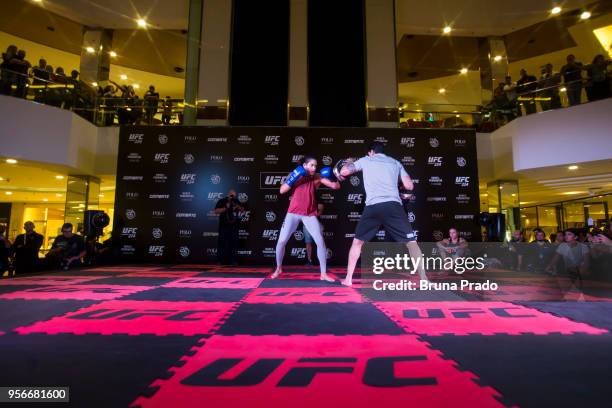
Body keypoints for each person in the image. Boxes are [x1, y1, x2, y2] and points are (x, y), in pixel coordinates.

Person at [338, 142, 427, 286]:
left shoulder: (366, 160)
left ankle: (348, 279)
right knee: (411, 243)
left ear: (371, 152)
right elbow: (410, 186)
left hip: (373, 206)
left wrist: (349, 162)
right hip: (393, 206)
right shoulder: (395, 162)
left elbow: (343, 172)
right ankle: (424, 279)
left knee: (357, 243)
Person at [272, 157, 340, 281]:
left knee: (320, 241)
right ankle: (278, 268)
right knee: (281, 241)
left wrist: (334, 176)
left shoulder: (317, 177)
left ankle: (323, 274)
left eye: (316, 165)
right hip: (293, 213)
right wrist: (295, 176)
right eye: (312, 165)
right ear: (305, 165)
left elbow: (336, 186)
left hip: (309, 214)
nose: (314, 168)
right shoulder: (295, 174)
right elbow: (282, 190)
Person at [214, 189, 246, 265]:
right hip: (224, 226)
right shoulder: (222, 201)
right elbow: (216, 211)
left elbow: (242, 210)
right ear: (228, 194)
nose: (232, 197)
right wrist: (226, 208)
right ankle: (221, 260)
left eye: (234, 196)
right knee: (222, 243)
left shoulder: (236, 201)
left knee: (234, 243)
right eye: (231, 195)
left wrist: (237, 206)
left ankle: (233, 260)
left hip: (234, 226)